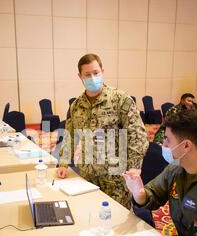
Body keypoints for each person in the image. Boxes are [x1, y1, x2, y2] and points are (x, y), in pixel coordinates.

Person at [56, 53, 148, 209]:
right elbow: (70, 136)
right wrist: (64, 164)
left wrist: (134, 166)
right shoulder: (76, 106)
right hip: (87, 177)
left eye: (96, 73)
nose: (93, 78)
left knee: (116, 222)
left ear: (102, 72)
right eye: (87, 74)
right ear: (80, 77)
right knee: (88, 217)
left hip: (115, 181)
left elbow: (137, 135)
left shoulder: (120, 99)